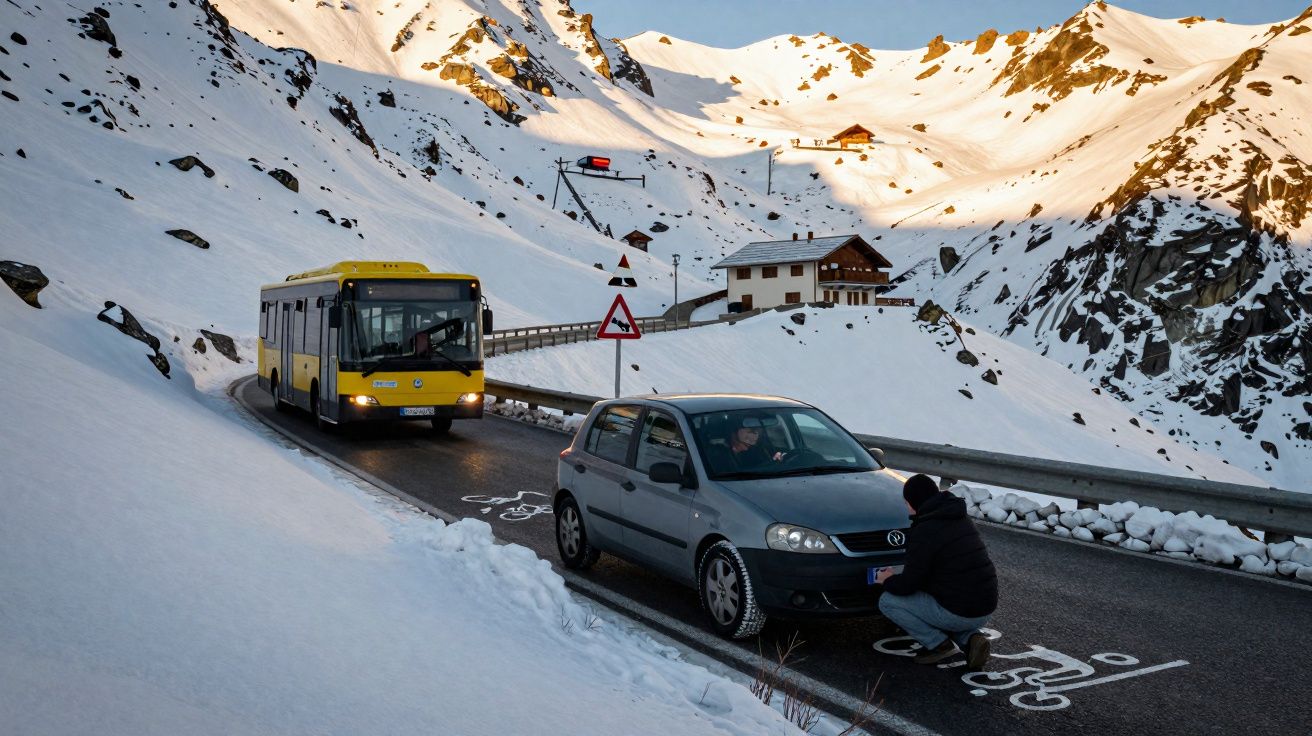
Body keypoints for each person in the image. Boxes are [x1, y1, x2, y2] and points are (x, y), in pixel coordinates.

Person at [875, 473, 998, 669]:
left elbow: (909, 584)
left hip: (958, 610)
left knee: (888, 601)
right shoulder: (958, 515)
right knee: (943, 604)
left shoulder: (925, 529)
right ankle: (971, 639)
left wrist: (886, 580)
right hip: (985, 606)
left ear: (915, 502)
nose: (906, 507)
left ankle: (938, 645)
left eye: (907, 502)